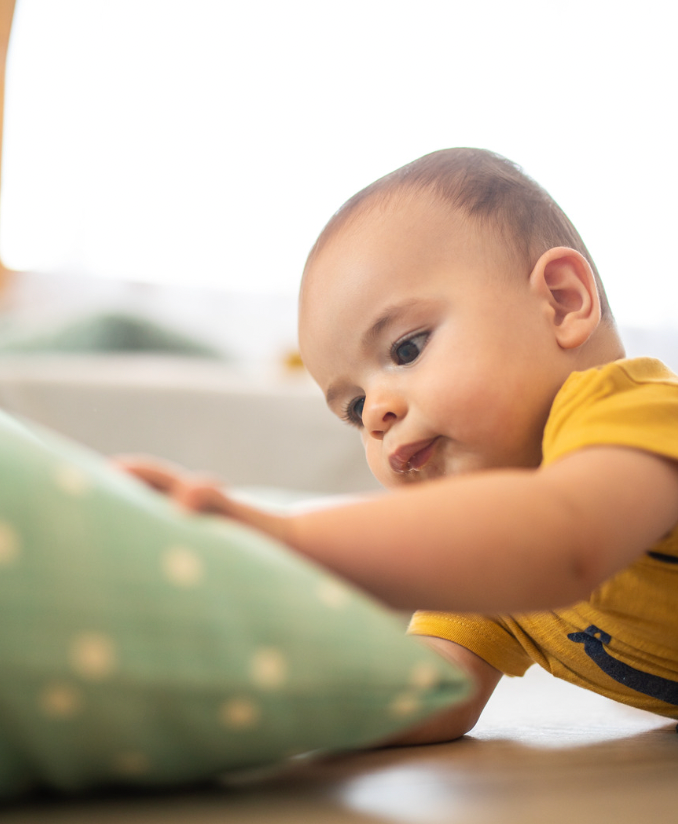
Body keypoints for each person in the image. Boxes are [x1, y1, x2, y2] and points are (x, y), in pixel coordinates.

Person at [118, 148, 678, 744]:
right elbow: (434, 689)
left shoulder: (635, 409)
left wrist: (285, 544)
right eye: (354, 409)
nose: (378, 414)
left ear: (563, 302)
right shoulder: (488, 562)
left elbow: (565, 541)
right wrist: (252, 704)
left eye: (407, 349)